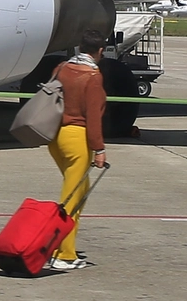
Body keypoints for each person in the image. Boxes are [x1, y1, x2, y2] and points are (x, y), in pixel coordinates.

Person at [47, 29, 109, 271]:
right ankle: (63, 254)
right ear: (100, 51)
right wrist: (99, 149)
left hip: (55, 136)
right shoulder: (93, 77)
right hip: (76, 138)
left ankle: (62, 247)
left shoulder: (62, 68)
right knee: (72, 199)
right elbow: (93, 117)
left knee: (77, 193)